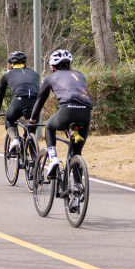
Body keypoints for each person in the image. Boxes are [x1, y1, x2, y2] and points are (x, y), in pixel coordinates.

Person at [29, 49, 93, 179]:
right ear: (70, 65)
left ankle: (53, 159)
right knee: (76, 152)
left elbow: (40, 101)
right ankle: (77, 186)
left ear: (52, 67)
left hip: (67, 110)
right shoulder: (79, 75)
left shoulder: (50, 78)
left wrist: (32, 120)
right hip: (86, 112)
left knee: (49, 126)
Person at [0, 51, 40, 151]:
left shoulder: (7, 75)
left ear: (11, 66)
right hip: (35, 102)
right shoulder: (35, 74)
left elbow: (1, 95)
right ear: (26, 65)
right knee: (31, 123)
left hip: (19, 100)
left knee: (9, 119)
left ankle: (14, 139)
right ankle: (31, 145)